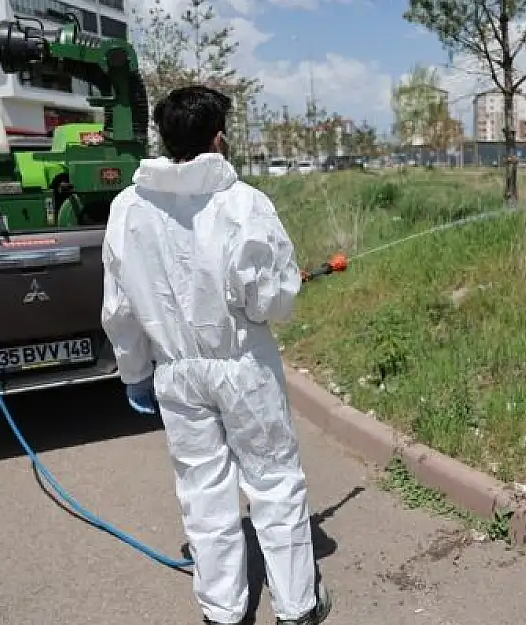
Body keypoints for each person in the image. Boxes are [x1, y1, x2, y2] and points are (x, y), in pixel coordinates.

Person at [100, 84, 331, 625]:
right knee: (273, 480)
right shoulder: (244, 203)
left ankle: (223, 610)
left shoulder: (128, 208)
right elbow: (271, 300)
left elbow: (120, 307)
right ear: (219, 138)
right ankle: (296, 605)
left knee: (202, 488)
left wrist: (134, 372)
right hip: (241, 365)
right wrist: (284, 287)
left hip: (175, 373)